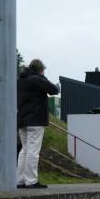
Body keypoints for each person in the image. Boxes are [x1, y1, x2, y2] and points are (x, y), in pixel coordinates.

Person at [17, 59, 60, 189]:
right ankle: (31, 180)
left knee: (24, 150)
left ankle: (21, 180)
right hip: (35, 119)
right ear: (40, 69)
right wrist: (51, 82)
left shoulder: (20, 80)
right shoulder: (36, 79)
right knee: (33, 150)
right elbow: (53, 90)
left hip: (21, 119)